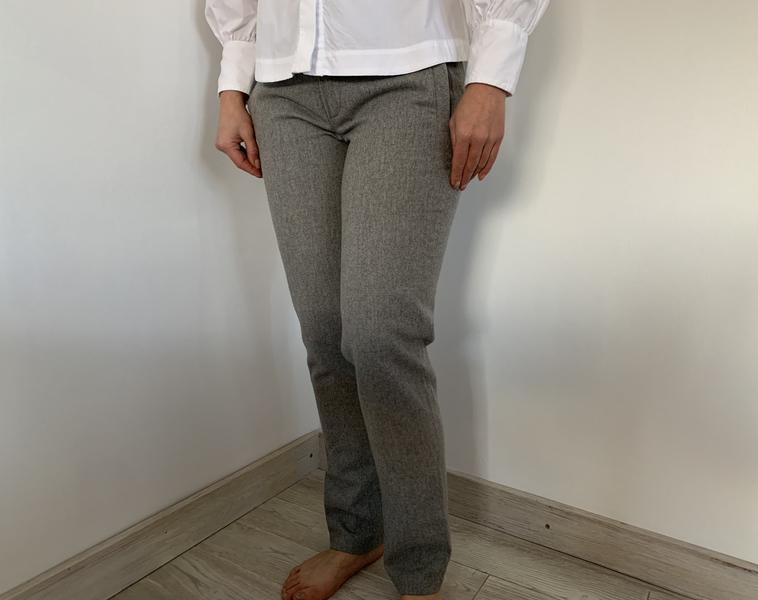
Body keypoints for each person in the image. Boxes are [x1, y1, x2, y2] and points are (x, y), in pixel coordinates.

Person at [204, 1, 549, 599]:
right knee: (324, 331)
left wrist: (490, 79)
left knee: (382, 334)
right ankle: (357, 532)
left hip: (406, 76)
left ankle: (419, 570)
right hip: (282, 91)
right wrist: (233, 86)